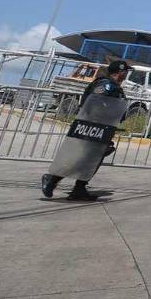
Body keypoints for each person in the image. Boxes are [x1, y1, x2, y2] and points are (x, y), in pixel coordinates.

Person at [41, 59, 130, 200]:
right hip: (93, 127)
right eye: (125, 72)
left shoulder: (113, 86)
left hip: (102, 128)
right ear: (121, 72)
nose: (126, 75)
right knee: (84, 157)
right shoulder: (106, 85)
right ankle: (53, 179)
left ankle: (78, 188)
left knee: (90, 158)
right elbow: (95, 104)